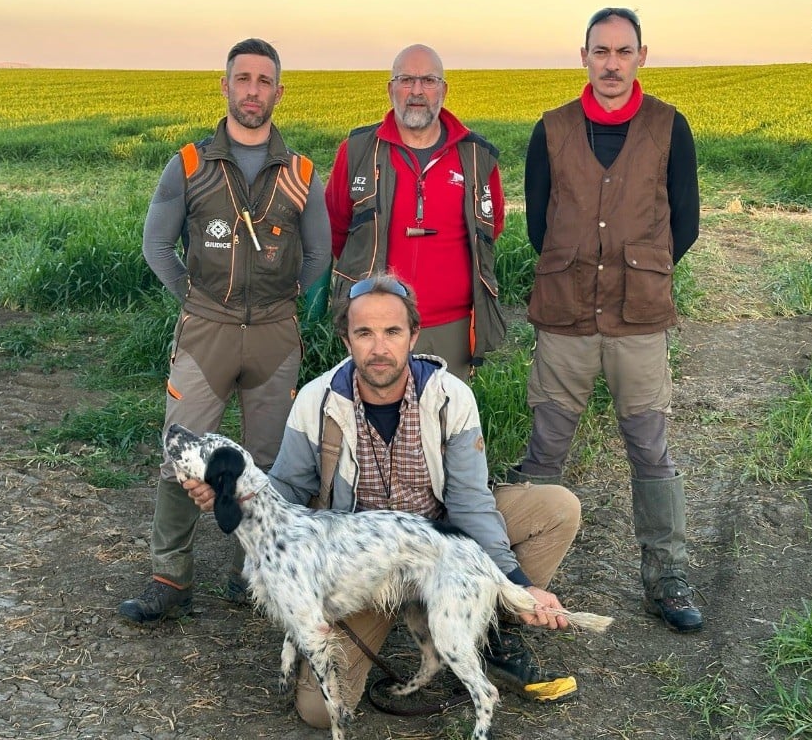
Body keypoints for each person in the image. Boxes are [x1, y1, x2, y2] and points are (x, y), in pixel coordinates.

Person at [183, 273, 584, 725]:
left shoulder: (452, 397)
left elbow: (471, 503)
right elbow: (287, 492)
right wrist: (229, 493)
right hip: (360, 565)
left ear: (414, 334)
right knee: (317, 712)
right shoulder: (317, 401)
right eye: (364, 333)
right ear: (346, 338)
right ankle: (426, 622)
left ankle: (488, 629)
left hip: (440, 545)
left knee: (556, 509)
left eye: (392, 331)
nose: (379, 348)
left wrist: (516, 580)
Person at [118, 38, 331, 624]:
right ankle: (170, 578)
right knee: (178, 455)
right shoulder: (190, 164)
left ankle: (256, 574)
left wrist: (285, 303)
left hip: (274, 338)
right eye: (243, 79)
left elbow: (320, 254)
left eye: (265, 81)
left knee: (271, 461)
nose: (253, 91)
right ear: (225, 86)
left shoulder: (302, 173)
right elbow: (156, 244)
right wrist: (193, 297)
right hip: (204, 334)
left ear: (278, 92)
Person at [508, 8, 703, 633]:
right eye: (601, 51)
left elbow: (685, 224)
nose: (612, 63)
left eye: (623, 51)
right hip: (565, 320)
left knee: (651, 450)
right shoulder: (552, 129)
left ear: (642, 55)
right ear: (584, 56)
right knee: (544, 453)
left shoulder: (671, 128)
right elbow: (539, 224)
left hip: (638, 323)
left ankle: (666, 576)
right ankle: (516, 585)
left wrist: (636, 273)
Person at [325, 44, 506, 381]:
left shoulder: (478, 157)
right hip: (376, 326)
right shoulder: (358, 151)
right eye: (406, 80)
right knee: (374, 424)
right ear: (391, 88)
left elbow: (491, 228)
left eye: (429, 80)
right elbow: (336, 230)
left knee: (443, 424)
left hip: (452, 329)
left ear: (444, 90)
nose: (417, 91)